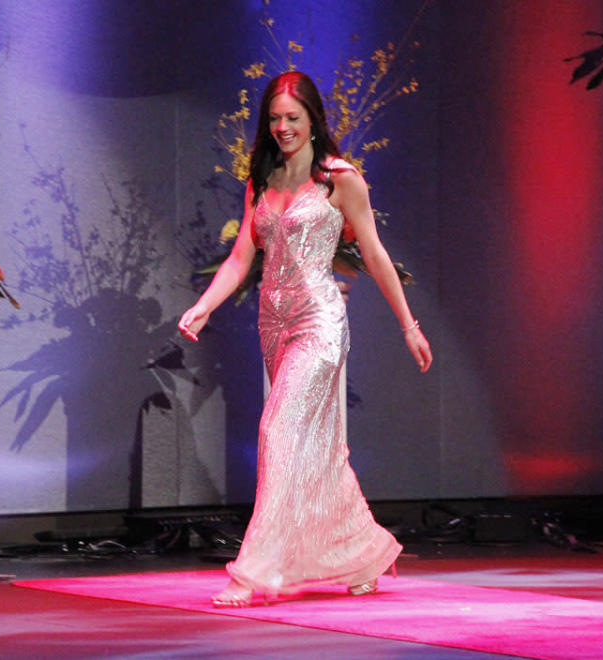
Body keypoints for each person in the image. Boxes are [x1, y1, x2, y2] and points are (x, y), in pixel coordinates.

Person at [178, 71, 432, 607]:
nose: (283, 127)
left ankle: (256, 571)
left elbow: (375, 254)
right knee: (314, 448)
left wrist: (409, 325)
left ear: (314, 119)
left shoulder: (341, 179)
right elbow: (242, 256)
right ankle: (360, 552)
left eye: (293, 117)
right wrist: (203, 306)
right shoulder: (261, 180)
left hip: (319, 321)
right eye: (274, 118)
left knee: (276, 430)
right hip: (273, 324)